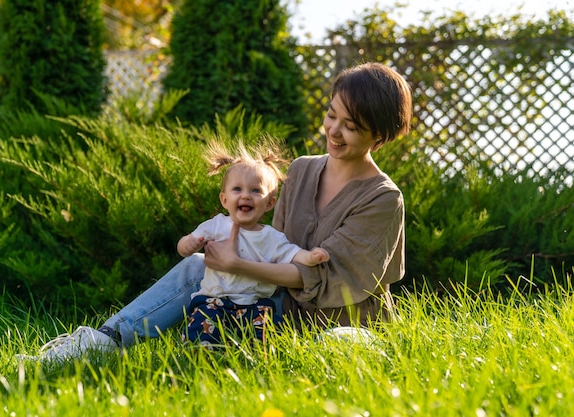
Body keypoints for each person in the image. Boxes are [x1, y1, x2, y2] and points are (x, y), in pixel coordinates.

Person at [21, 61, 412, 363]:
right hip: (277, 307)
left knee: (336, 343)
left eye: (351, 126)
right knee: (197, 265)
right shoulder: (303, 169)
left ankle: (305, 350)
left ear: (378, 136)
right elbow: (270, 245)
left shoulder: (381, 199)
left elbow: (329, 283)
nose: (334, 131)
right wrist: (226, 256)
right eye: (331, 116)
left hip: (336, 322)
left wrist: (237, 267)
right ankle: (103, 342)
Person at [177, 140, 329, 348]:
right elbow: (185, 244)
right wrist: (188, 244)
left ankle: (254, 359)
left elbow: (293, 254)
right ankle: (202, 357)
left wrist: (311, 257)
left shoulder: (271, 237)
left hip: (255, 305)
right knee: (200, 332)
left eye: (256, 191)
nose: (246, 195)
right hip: (214, 300)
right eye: (237, 189)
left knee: (263, 339)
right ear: (224, 199)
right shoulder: (216, 225)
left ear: (269, 203)